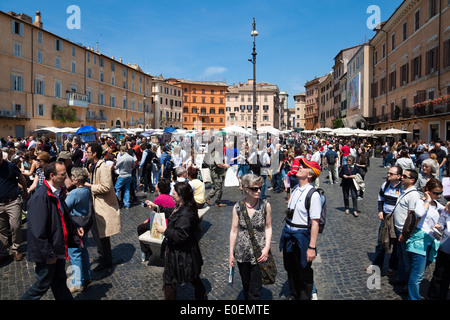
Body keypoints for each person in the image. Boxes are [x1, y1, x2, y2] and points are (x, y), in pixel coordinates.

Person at [21, 161, 78, 300]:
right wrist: (48, 254)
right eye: (63, 174)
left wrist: (75, 229)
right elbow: (37, 230)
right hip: (48, 251)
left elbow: (61, 216)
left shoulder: (58, 192)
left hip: (56, 247)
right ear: (52, 175)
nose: (66, 177)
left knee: (59, 281)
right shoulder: (41, 197)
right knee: (42, 285)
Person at [152, 181, 207, 300]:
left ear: (181, 196)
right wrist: (156, 207)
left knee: (170, 280)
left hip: (181, 253)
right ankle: (202, 295)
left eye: (175, 193)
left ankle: (201, 295)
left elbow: (181, 235)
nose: (172, 194)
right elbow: (172, 213)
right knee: (191, 276)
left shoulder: (185, 213)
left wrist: (165, 231)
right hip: (183, 252)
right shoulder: (182, 206)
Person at [279, 157, 321, 300]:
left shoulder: (313, 194)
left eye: (304, 167)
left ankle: (304, 297)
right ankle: (294, 294)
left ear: (310, 175)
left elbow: (315, 223)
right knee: (291, 269)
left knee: (304, 271)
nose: (300, 167)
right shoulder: (296, 188)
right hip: (289, 235)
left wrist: (312, 247)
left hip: (301, 237)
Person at [229, 173, 272, 300]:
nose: (259, 191)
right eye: (255, 188)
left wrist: (267, 248)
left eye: (260, 188)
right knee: (246, 285)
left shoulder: (265, 205)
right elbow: (233, 231)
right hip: (242, 253)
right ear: (246, 189)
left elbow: (268, 227)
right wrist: (231, 253)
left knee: (255, 291)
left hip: (260, 253)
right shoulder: (238, 207)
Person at [85, 142, 121, 272]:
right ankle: (102, 256)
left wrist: (90, 186)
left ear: (94, 153)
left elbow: (106, 187)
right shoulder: (94, 166)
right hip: (95, 204)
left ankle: (107, 260)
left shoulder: (103, 167)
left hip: (102, 205)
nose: (86, 154)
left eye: (88, 152)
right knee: (96, 233)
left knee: (103, 234)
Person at [406, 178, 444, 300]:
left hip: (430, 242)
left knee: (419, 271)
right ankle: (413, 297)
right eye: (436, 193)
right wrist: (427, 199)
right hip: (419, 242)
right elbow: (420, 213)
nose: (438, 196)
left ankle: (411, 291)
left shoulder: (437, 204)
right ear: (428, 191)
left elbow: (445, 211)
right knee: (418, 274)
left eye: (440, 193)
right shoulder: (420, 202)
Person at [366, 165, 403, 274]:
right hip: (385, 217)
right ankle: (376, 265)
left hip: (397, 219)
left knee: (396, 243)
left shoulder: (402, 188)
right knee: (381, 241)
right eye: (388, 173)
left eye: (391, 174)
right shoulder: (385, 185)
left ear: (399, 176)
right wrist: (380, 210)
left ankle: (393, 267)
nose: (388, 175)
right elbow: (380, 198)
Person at [392, 169, 421, 290]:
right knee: (401, 256)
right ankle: (402, 278)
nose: (401, 177)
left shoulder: (414, 195)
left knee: (406, 259)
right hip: (398, 228)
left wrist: (405, 233)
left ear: (412, 180)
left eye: (405, 176)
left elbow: (412, 216)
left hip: (404, 231)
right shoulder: (404, 190)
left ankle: (406, 283)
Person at [65, 167, 92, 293]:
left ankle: (77, 282)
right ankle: (86, 276)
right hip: (84, 223)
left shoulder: (75, 193)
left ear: (75, 180)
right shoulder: (86, 190)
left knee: (75, 253)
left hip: (75, 223)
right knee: (83, 250)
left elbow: (65, 207)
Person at [0, 149, 29, 264]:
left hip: (12, 201)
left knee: (15, 225)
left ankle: (16, 249)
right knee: (1, 229)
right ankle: (3, 252)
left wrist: (25, 190)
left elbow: (21, 178)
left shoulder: (10, 166)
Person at [138, 178, 175, 263]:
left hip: (163, 223)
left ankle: (146, 251)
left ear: (159, 188)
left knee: (140, 228)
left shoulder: (159, 198)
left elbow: (155, 213)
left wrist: (147, 220)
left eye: (157, 185)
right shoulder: (169, 197)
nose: (155, 186)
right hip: (169, 221)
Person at [427, 202, 450, 300]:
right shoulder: (447, 209)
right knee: (439, 275)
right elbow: (442, 223)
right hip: (444, 248)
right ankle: (433, 297)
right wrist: (439, 226)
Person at [205, 142, 229, 207]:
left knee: (216, 187)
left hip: (214, 173)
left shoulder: (212, 153)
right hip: (217, 174)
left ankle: (207, 197)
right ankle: (218, 202)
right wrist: (225, 165)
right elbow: (219, 164)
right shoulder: (216, 154)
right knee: (219, 189)